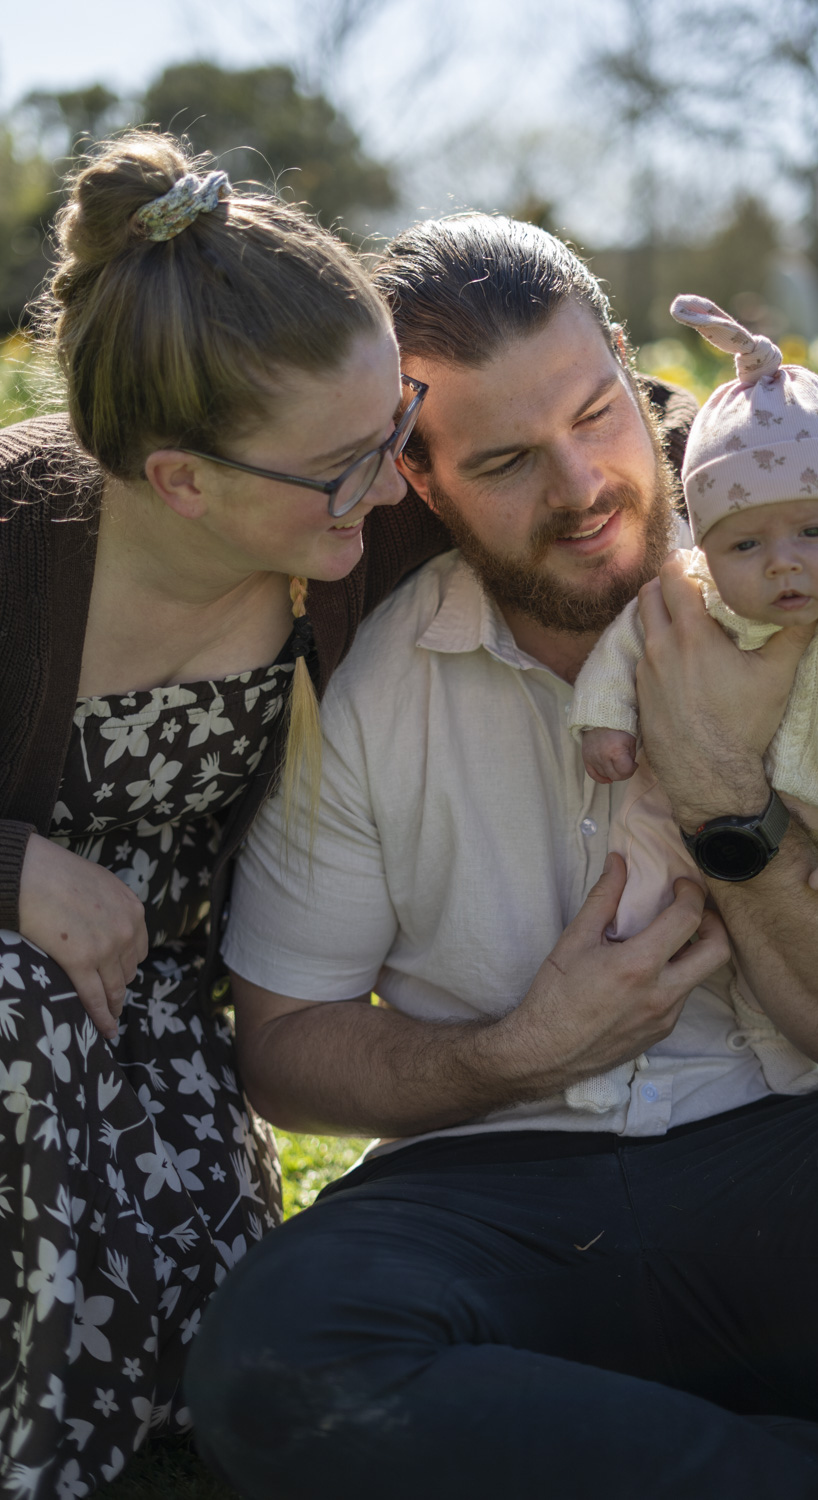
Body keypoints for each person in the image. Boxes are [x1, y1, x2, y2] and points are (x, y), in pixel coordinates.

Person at [188, 214, 818, 1500]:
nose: (579, 490)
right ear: (418, 474)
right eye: (505, 458)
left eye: (595, 414)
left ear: (633, 372)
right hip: (487, 1201)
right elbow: (287, 1048)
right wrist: (519, 1051)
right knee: (273, 1364)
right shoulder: (362, 688)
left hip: (787, 1165)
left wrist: (724, 797)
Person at [0, 133, 449, 1495]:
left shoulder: (358, 521)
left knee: (222, 1373)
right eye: (341, 465)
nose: (387, 482)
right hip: (18, 1008)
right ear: (182, 479)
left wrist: (760, 449)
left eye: (398, 427)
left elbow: (598, 440)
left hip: (163, 1028)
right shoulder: (17, 538)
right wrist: (13, 863)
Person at [564, 293, 818, 1114]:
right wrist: (604, 715)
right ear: (703, 546)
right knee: (648, 897)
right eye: (747, 543)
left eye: (815, 533)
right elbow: (630, 647)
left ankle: (803, 1077)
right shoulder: (693, 594)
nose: (784, 566)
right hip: (700, 807)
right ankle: (600, 1051)